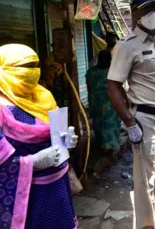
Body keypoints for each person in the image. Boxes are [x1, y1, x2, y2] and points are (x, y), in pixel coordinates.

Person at [107, 0, 155, 229]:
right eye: (147, 10)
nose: (153, 14)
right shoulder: (127, 46)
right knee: (144, 179)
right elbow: (113, 86)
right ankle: (147, 226)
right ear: (134, 14)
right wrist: (129, 122)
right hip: (144, 120)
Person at [0, 44, 78, 229]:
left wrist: (65, 140)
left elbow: (53, 132)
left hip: (58, 181)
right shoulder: (2, 107)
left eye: (35, 65)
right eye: (24, 67)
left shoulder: (43, 96)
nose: (32, 72)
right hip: (26, 191)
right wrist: (31, 162)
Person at [86, 50, 121, 173]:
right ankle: (109, 150)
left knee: (100, 125)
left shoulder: (90, 72)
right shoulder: (112, 72)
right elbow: (119, 89)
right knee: (110, 127)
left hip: (96, 104)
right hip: (110, 104)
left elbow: (89, 87)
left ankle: (104, 148)